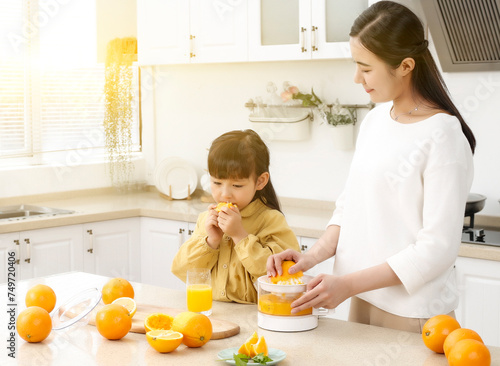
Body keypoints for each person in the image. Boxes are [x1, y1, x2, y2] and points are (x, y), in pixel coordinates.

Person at [267, 1, 475, 333]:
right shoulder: (376, 119)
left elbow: (437, 249)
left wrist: (347, 284)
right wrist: (310, 257)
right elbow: (351, 205)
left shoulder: (443, 136)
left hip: (411, 311)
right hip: (362, 298)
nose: (356, 78)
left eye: (365, 68)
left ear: (405, 66)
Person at [172, 129, 300, 304]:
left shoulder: (271, 220)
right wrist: (211, 241)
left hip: (258, 317)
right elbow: (182, 271)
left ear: (261, 181)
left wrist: (240, 236)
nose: (225, 194)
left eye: (237, 185)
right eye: (217, 182)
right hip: (213, 314)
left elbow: (283, 279)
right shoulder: (206, 219)